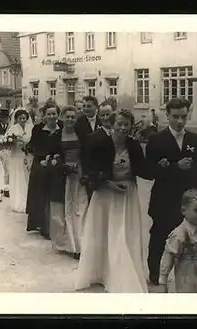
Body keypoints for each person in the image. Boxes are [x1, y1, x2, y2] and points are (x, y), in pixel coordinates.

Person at [74, 109, 152, 293]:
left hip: (126, 194)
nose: (123, 128)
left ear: (131, 127)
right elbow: (88, 171)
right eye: (120, 124)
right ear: (112, 124)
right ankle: (100, 272)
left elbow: (143, 170)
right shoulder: (100, 144)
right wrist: (108, 184)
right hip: (105, 193)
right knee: (103, 232)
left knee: (123, 233)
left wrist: (161, 164)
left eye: (127, 125)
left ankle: (121, 272)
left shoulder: (133, 146)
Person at [145, 97, 197, 286]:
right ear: (167, 115)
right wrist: (174, 167)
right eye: (175, 117)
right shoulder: (156, 140)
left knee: (189, 239)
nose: (180, 121)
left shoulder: (196, 140)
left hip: (188, 200)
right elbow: (148, 172)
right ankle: (155, 274)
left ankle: (187, 276)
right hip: (164, 199)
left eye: (183, 116)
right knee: (159, 237)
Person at [156, 189, 197, 293]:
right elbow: (169, 256)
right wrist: (163, 281)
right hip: (188, 275)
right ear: (183, 211)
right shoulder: (179, 234)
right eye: (196, 210)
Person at [49, 106, 89, 260]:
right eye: (68, 117)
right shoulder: (57, 136)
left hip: (79, 175)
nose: (70, 120)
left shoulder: (81, 134)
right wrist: (63, 166)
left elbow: (86, 153)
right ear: (62, 118)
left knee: (81, 208)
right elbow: (53, 156)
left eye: (73, 117)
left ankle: (81, 244)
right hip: (64, 176)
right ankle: (71, 245)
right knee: (67, 209)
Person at [26, 101, 63, 238]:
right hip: (41, 163)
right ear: (45, 116)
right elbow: (33, 146)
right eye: (49, 114)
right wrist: (41, 159)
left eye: (54, 114)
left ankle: (55, 225)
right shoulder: (38, 129)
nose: (52, 116)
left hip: (57, 164)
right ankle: (44, 225)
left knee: (55, 196)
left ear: (58, 115)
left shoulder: (62, 128)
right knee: (42, 195)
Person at [5, 109, 34, 213]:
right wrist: (13, 143)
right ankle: (18, 202)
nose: (22, 120)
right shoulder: (13, 129)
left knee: (27, 179)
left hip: (28, 156)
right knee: (18, 178)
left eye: (24, 118)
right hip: (17, 156)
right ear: (16, 119)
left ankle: (28, 202)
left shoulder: (31, 127)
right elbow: (7, 143)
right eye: (20, 118)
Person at [74, 95, 102, 202]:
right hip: (86, 162)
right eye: (84, 106)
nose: (85, 109)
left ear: (96, 107)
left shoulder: (102, 120)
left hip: (100, 162)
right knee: (88, 193)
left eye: (89, 106)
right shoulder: (79, 123)